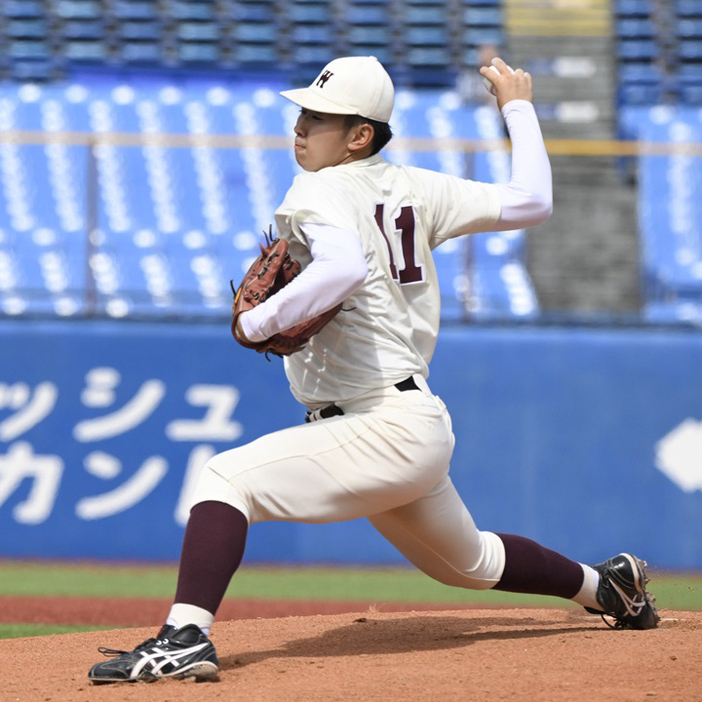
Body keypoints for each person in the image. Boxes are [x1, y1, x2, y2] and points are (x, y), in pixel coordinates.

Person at [87, 55, 659, 684]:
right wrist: (517, 110)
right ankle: (607, 586)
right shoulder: (417, 186)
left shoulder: (317, 188)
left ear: (361, 134)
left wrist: (257, 322)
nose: (301, 127)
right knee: (467, 562)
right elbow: (532, 202)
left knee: (226, 478)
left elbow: (341, 271)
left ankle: (185, 637)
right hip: (408, 425)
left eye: (320, 117)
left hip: (379, 422)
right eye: (302, 112)